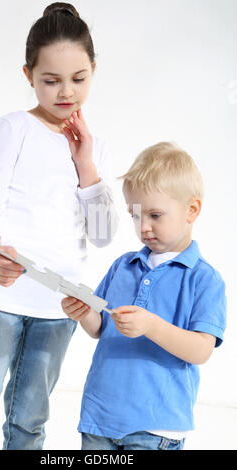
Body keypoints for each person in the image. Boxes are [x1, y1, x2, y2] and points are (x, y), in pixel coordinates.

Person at [0, 3, 118, 450]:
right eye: (50, 80)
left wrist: (86, 165)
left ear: (93, 70)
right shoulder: (13, 128)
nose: (65, 93)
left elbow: (101, 234)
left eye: (78, 79)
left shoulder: (93, 149)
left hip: (57, 312)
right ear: (28, 74)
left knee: (28, 427)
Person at [62, 142, 227, 451]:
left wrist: (152, 326)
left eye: (155, 215)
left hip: (155, 426)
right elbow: (100, 328)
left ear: (192, 210)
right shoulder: (124, 265)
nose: (143, 227)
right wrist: (84, 312)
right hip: (100, 416)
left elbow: (201, 351)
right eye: (135, 216)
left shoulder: (204, 279)